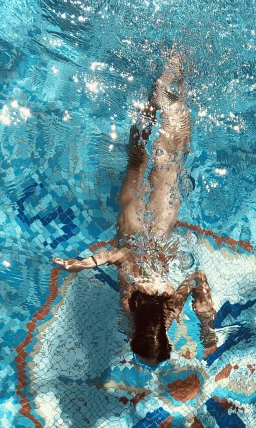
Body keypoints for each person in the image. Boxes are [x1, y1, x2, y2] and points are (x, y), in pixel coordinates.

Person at [52, 50, 217, 366]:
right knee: (138, 161)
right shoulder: (131, 301)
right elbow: (122, 255)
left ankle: (174, 84)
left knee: (168, 164)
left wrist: (207, 321)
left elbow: (196, 277)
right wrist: (84, 264)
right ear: (133, 336)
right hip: (131, 225)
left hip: (159, 225)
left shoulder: (170, 304)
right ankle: (155, 96)